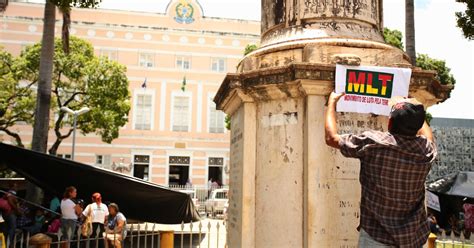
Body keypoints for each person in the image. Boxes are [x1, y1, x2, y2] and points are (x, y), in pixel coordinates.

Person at [325, 92, 437, 247]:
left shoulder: (375, 144)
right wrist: (415, 111)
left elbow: (331, 138)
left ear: (390, 123)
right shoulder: (425, 151)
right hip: (412, 238)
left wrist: (332, 102)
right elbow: (428, 136)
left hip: (376, 237)